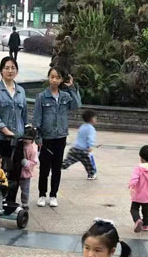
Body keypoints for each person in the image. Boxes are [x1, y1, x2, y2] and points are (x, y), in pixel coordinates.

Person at [32, 67, 81, 207]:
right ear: (48, 78)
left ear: (61, 80)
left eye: (57, 77)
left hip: (60, 136)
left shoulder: (65, 96)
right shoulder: (41, 97)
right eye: (52, 77)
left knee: (56, 168)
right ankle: (42, 194)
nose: (54, 80)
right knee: (44, 169)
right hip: (46, 137)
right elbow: (36, 119)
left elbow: (77, 105)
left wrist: (71, 88)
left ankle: (53, 195)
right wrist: (38, 137)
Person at [0, 57, 27, 206]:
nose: (10, 71)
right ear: (1, 71)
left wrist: (26, 132)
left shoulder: (21, 91)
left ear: (17, 71)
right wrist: (6, 130)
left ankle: (10, 204)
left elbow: (24, 116)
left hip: (17, 140)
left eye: (13, 68)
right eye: (6, 68)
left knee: (15, 173)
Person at [60, 110, 98, 184]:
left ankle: (58, 166)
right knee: (88, 163)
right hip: (83, 150)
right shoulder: (91, 128)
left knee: (68, 161)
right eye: (95, 118)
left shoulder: (82, 126)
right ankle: (91, 174)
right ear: (91, 119)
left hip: (75, 148)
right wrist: (90, 146)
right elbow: (90, 138)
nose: (96, 119)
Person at [18, 125, 38, 209]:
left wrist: (26, 163)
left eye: (28, 139)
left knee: (25, 189)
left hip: (26, 172)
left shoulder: (32, 149)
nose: (25, 140)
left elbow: (34, 161)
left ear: (32, 140)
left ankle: (25, 203)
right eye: (24, 138)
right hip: (17, 170)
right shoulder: (20, 144)